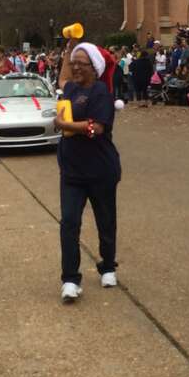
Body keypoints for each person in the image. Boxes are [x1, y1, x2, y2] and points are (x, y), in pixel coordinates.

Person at [54, 40, 121, 303]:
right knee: (69, 223)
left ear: (94, 67)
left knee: (105, 221)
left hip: (100, 170)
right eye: (74, 65)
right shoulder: (70, 88)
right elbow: (62, 78)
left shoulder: (101, 92)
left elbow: (97, 128)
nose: (75, 68)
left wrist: (65, 124)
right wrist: (68, 50)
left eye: (81, 64)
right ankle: (70, 279)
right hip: (72, 172)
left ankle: (107, 267)